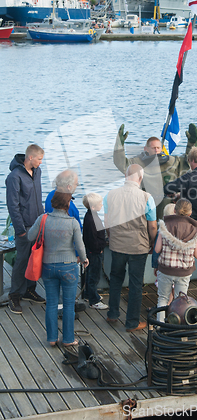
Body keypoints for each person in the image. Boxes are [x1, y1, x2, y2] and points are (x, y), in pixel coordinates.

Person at [28, 192, 89, 347]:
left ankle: (52, 338)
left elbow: (30, 236)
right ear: (67, 205)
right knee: (69, 305)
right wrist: (84, 259)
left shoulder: (43, 219)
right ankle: (68, 339)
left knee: (52, 303)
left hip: (48, 266)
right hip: (68, 266)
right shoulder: (73, 222)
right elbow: (80, 246)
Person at [104, 164, 157, 331]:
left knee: (115, 279)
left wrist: (112, 237)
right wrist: (151, 242)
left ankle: (112, 314)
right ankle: (132, 322)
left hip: (117, 244)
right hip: (138, 247)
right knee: (135, 284)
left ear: (125, 176)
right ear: (140, 178)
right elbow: (153, 227)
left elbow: (106, 223)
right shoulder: (147, 197)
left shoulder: (110, 195)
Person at [164, 147, 197, 307]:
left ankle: (178, 301)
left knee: (182, 264)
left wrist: (182, 194)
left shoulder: (188, 176)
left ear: (192, 161)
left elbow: (167, 189)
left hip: (188, 228)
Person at [113, 123, 197, 218]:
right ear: (146, 149)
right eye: (153, 148)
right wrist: (119, 145)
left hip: (168, 208)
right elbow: (121, 163)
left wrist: (191, 144)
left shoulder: (173, 161)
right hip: (146, 207)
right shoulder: (137, 162)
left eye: (158, 148)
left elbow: (187, 161)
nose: (156, 150)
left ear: (161, 148)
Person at [6, 144, 46, 315]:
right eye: (39, 159)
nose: (41, 162)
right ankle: (14, 295)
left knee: (35, 259)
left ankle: (30, 289)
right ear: (30, 158)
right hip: (24, 226)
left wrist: (43, 220)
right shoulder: (14, 176)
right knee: (22, 260)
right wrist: (20, 229)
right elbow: (12, 206)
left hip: (38, 223)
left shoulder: (37, 172)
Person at [154, 198, 197, 321]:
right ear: (190, 213)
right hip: (184, 271)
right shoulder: (194, 230)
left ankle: (160, 326)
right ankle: (176, 327)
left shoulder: (164, 226)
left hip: (165, 269)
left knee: (163, 298)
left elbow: (157, 249)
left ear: (174, 210)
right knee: (180, 301)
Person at [82, 193, 108, 310]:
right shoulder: (92, 219)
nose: (102, 205)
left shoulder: (90, 216)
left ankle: (88, 293)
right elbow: (92, 239)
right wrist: (99, 249)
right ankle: (94, 300)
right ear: (93, 207)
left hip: (92, 250)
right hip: (94, 252)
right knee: (94, 275)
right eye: (100, 204)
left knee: (91, 274)